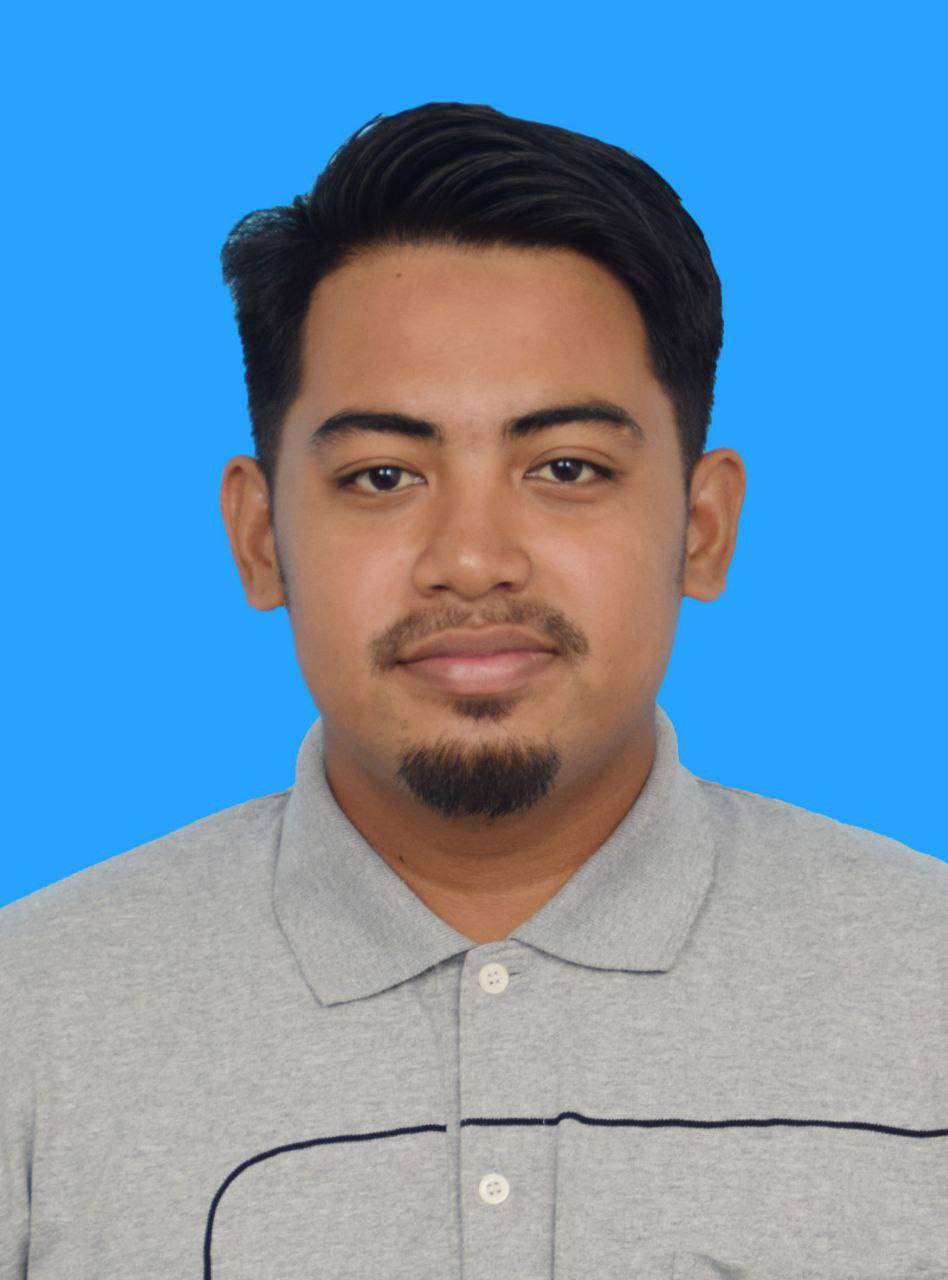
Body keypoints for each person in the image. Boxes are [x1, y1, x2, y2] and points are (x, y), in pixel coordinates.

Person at [1, 103, 945, 1280]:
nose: (472, 557)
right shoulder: (30, 1017)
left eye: (567, 466)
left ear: (703, 527)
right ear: (259, 536)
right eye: (382, 475)